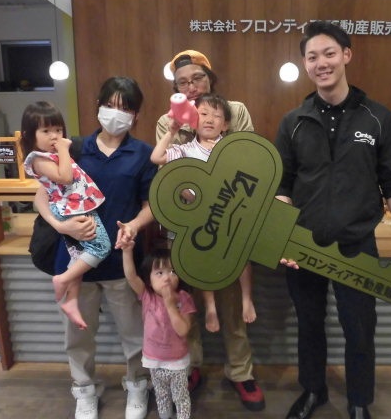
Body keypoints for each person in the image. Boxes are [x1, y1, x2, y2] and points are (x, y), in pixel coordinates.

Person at [274, 21, 391, 419]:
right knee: (309, 325)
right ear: (305, 64)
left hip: (356, 244)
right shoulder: (294, 121)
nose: (321, 63)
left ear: (346, 55)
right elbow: (283, 185)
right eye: (312, 57)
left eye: (329, 53)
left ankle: (359, 400)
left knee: (360, 327)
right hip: (303, 243)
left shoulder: (377, 118)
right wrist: (283, 237)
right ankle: (314, 391)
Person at [34, 77, 157, 419]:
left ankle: (137, 385)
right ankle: (85, 389)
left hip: (122, 259)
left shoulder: (143, 154)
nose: (116, 113)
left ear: (136, 114)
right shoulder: (72, 148)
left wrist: (134, 225)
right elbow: (42, 195)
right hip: (75, 261)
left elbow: (151, 205)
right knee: (78, 335)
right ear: (98, 106)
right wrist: (61, 225)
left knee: (134, 333)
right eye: (110, 105)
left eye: (125, 108)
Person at [155, 50, 265, 411]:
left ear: (210, 78)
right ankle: (191, 366)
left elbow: (248, 157)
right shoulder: (168, 120)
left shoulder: (235, 110)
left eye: (197, 78)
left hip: (229, 221)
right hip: (186, 225)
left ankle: (241, 372)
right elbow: (167, 172)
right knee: (187, 302)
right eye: (182, 82)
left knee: (232, 302)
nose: (191, 86)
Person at [151, 93, 257, 333]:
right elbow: (156, 157)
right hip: (198, 215)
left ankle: (246, 298)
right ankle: (210, 307)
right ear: (192, 121)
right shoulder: (185, 149)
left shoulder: (233, 148)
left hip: (228, 212)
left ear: (226, 124)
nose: (209, 119)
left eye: (217, 116)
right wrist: (171, 130)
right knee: (202, 257)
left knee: (241, 253)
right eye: (204, 114)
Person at [21, 101, 111, 330]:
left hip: (77, 207)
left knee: (78, 256)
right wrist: (63, 148)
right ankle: (62, 279)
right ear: (30, 135)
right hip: (72, 210)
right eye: (46, 131)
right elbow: (65, 178)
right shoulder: (38, 159)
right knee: (101, 247)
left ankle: (71, 300)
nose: (54, 136)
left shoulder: (51, 155)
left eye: (58, 129)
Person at [120, 236, 196, 419]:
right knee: (161, 395)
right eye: (159, 273)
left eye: (172, 272)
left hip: (177, 361)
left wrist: (170, 305)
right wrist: (127, 251)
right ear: (149, 278)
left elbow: (183, 330)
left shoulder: (184, 298)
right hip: (153, 359)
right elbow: (131, 276)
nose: (167, 278)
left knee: (180, 397)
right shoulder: (147, 295)